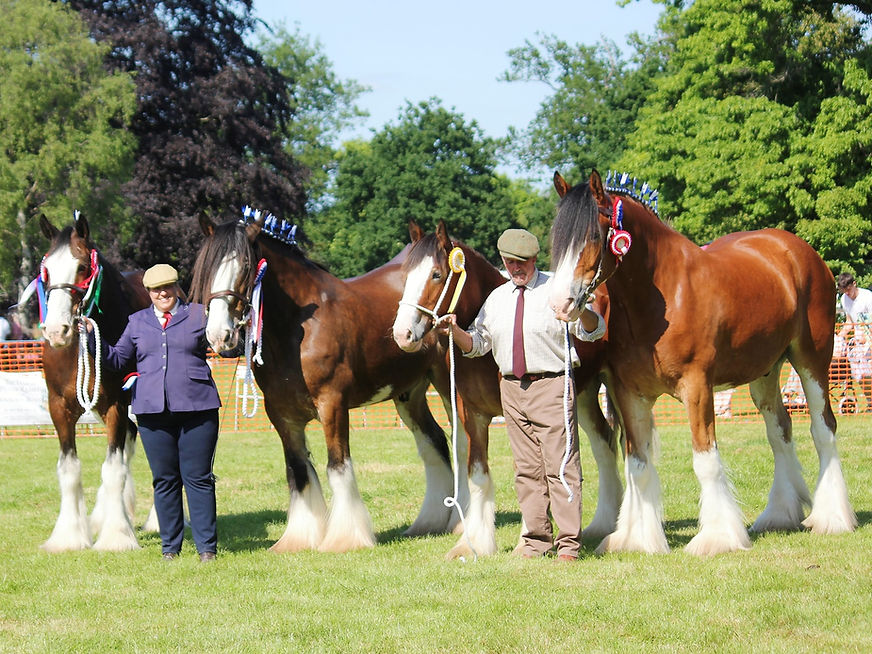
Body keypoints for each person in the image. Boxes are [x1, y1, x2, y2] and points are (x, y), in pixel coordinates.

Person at [441, 228, 605, 561]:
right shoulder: (498, 298)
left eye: (523, 262)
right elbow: (478, 345)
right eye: (511, 262)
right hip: (511, 390)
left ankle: (569, 545)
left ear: (534, 259)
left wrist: (581, 311)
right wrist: (454, 331)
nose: (517, 268)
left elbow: (595, 330)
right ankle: (535, 541)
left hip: (552, 385)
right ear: (502, 260)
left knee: (561, 466)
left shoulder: (554, 290)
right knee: (526, 469)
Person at [92, 263, 221, 561]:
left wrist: (234, 334)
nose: (162, 293)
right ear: (148, 292)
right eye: (155, 289)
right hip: (152, 413)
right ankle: (170, 549)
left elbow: (224, 347)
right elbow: (117, 359)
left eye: (167, 287)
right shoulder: (136, 322)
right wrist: (91, 337)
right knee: (164, 480)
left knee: (198, 478)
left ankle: (207, 549)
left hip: (198, 410)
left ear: (176, 288)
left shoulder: (199, 315)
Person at [837, 273, 872, 412]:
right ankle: (870, 402)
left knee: (867, 372)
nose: (847, 293)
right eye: (844, 290)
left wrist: (867, 338)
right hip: (858, 344)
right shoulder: (844, 299)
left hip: (868, 341)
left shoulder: (868, 298)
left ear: (855, 284)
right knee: (860, 375)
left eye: (849, 289)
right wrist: (839, 336)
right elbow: (849, 321)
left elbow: (870, 323)